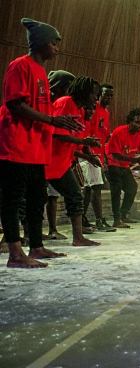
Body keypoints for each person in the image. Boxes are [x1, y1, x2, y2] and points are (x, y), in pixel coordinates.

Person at [0, 18, 83, 268]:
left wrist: (56, 121)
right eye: (54, 42)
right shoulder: (20, 66)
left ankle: (36, 246)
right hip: (16, 145)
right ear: (40, 43)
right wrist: (52, 120)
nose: (57, 47)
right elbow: (14, 104)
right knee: (14, 201)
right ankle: (15, 253)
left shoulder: (41, 73)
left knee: (37, 199)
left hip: (36, 149)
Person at [46, 76, 102, 246]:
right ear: (83, 91)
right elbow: (55, 132)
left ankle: (78, 237)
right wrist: (83, 142)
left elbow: (76, 139)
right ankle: (13, 239)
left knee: (75, 195)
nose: (95, 98)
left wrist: (88, 152)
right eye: (93, 93)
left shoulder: (80, 111)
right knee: (31, 199)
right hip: (47, 161)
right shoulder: (65, 102)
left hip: (61, 164)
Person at [106, 108, 140, 228]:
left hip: (125, 165)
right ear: (130, 122)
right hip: (112, 163)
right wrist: (136, 160)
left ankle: (123, 215)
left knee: (132, 188)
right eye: (137, 122)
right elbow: (115, 154)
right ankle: (116, 220)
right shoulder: (119, 132)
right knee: (116, 190)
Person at [44, 70, 77, 240]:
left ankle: (49, 231)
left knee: (50, 195)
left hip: (55, 160)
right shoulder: (55, 104)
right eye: (68, 87)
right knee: (33, 197)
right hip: (43, 158)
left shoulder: (57, 104)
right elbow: (55, 133)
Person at [81, 83, 115, 231]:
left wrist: (104, 158)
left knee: (90, 188)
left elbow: (104, 137)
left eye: (111, 95)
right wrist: (89, 153)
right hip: (88, 154)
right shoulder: (92, 109)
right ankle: (99, 220)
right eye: (106, 94)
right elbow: (85, 131)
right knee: (94, 187)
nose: (108, 97)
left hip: (98, 155)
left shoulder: (106, 113)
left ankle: (82, 218)